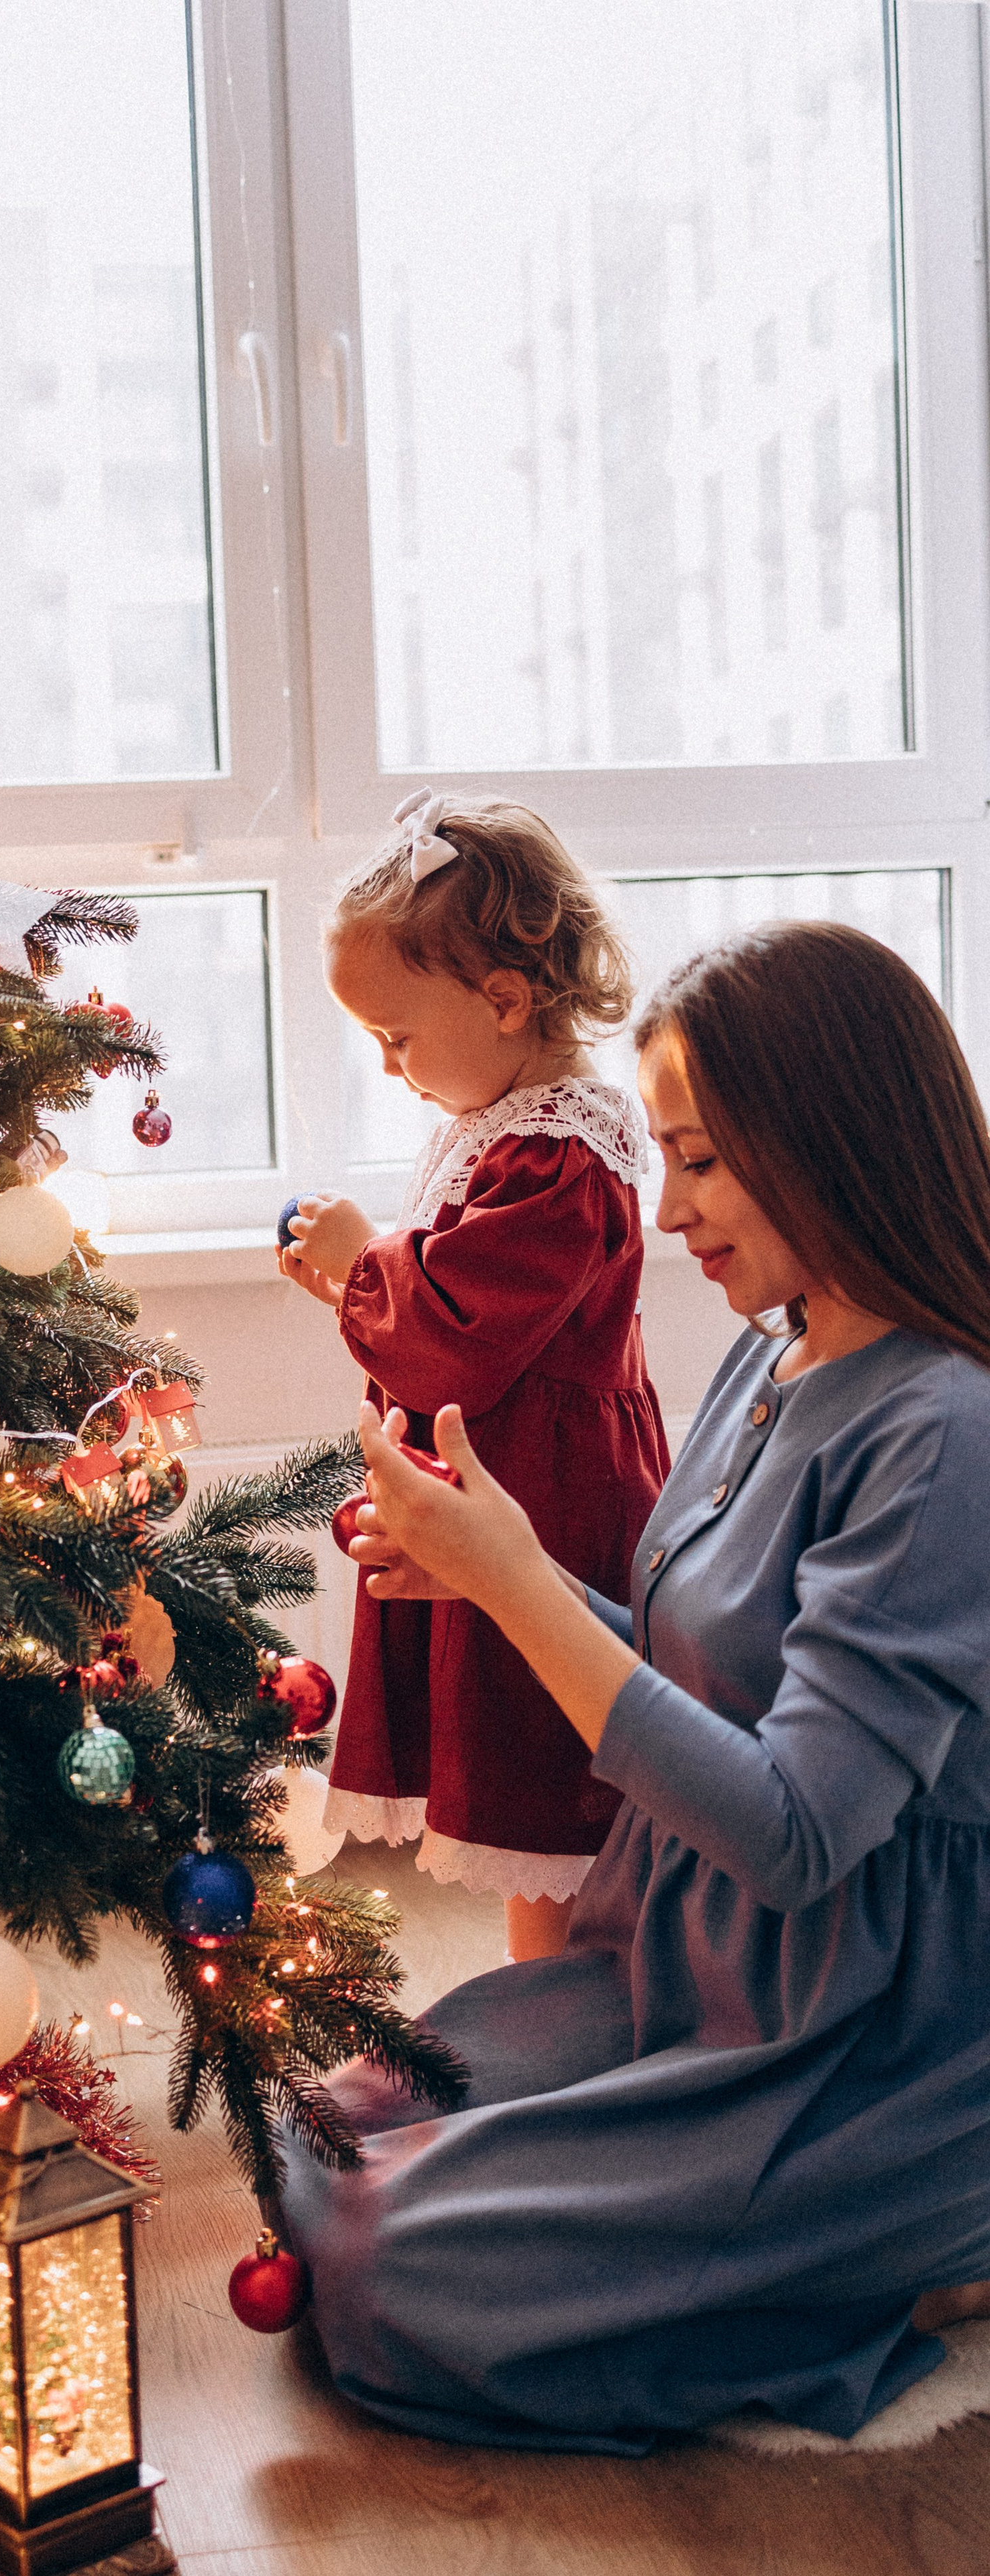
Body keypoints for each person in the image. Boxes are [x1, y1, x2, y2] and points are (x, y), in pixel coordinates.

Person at [280, 921, 990, 2453]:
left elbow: (797, 1831)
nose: (665, 1214)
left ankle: (919, 2250)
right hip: (676, 1949)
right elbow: (699, 1662)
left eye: (703, 1166)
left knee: (387, 2270)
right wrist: (493, 1570)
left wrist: (522, 1588)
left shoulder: (940, 1428)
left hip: (852, 2021)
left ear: (835, 1143)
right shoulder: (778, 1341)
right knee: (323, 2127)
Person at [281, 791, 667, 1961]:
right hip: (492, 1503)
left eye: (398, 1037)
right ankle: (544, 1999)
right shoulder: (502, 1127)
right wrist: (359, 1278)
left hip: (544, 1515)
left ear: (504, 999)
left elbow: (458, 1334)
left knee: (543, 1790)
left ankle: (554, 2011)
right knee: (508, 1782)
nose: (391, 1067)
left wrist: (364, 1268)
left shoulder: (562, 1153)